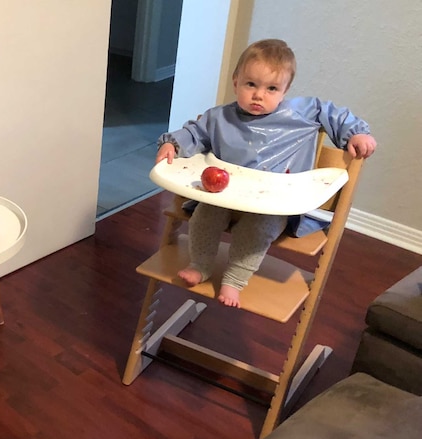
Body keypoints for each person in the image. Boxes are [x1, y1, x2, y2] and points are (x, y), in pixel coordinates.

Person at [156, 39, 377, 307]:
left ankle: (234, 280)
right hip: (224, 196)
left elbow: (332, 112)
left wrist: (357, 132)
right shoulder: (219, 117)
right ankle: (200, 265)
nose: (259, 95)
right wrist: (173, 143)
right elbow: (194, 133)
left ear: (285, 91)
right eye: (251, 84)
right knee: (204, 215)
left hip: (273, 204)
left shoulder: (301, 114)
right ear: (235, 81)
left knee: (258, 228)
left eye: (271, 88)